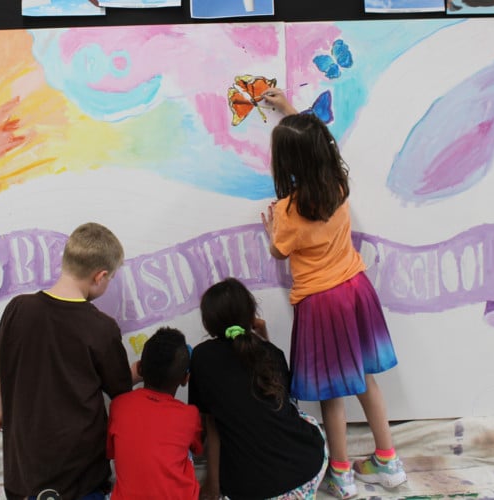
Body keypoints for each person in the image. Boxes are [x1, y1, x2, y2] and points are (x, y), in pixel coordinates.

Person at [258, 88, 407, 499]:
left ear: (287, 163)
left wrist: (270, 231)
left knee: (332, 394)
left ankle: (341, 474)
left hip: (321, 303)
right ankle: (388, 462)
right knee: (366, 381)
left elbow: (278, 250)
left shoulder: (288, 212)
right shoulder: (338, 183)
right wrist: (291, 110)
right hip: (356, 290)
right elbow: (324, 141)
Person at [0, 222, 135, 500]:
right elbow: (120, 390)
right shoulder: (101, 327)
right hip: (80, 477)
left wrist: (3, 410)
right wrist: (137, 372)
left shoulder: (18, 309)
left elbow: (2, 372)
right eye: (111, 278)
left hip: (25, 475)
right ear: (100, 276)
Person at [189, 278, 328, 500]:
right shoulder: (271, 352)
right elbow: (281, 399)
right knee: (304, 419)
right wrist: (264, 338)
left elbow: (211, 425)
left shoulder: (201, 356)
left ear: (208, 322)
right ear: (251, 315)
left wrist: (212, 486)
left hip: (247, 491)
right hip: (303, 472)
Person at [107, 327, 203, 499]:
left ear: (140, 369)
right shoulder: (189, 415)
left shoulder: (118, 405)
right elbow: (197, 448)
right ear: (185, 379)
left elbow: (112, 453)